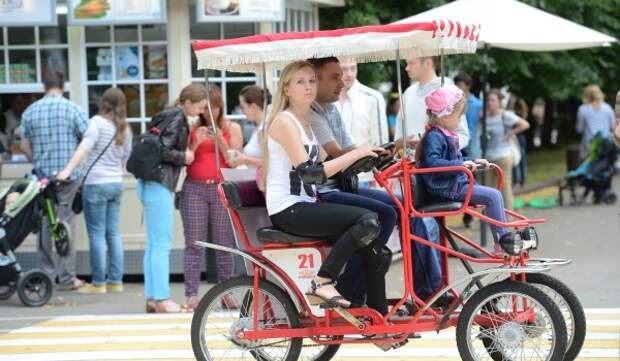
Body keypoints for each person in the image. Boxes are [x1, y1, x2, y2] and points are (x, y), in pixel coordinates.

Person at [262, 60, 387, 316]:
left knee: (377, 251)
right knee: (369, 221)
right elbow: (311, 175)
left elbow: (330, 164)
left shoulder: (306, 120)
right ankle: (323, 281)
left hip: (307, 205)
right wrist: (355, 154)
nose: (308, 87)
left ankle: (378, 320)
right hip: (289, 209)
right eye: (300, 82)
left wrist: (369, 154)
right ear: (286, 90)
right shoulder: (285, 122)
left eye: (311, 81)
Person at [138, 84, 208, 313]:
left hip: (148, 183)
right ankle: (162, 298)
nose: (200, 111)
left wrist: (190, 149)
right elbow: (165, 151)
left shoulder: (166, 115)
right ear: (187, 101)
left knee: (153, 243)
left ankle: (151, 297)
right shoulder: (177, 117)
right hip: (159, 183)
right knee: (161, 244)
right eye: (199, 105)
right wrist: (185, 156)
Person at [57, 87, 132, 294]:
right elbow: (126, 158)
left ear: (104, 103)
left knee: (97, 234)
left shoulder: (96, 123)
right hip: (116, 183)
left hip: (96, 183)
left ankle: (99, 283)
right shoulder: (125, 129)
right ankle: (116, 281)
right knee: (113, 233)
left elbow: (84, 148)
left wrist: (67, 170)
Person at [417, 85, 509, 252]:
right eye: (458, 116)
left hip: (456, 183)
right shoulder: (435, 136)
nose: (460, 121)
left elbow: (456, 160)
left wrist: (473, 161)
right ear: (444, 115)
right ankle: (502, 244)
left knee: (494, 195)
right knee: (493, 195)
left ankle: (504, 237)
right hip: (447, 188)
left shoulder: (445, 134)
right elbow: (432, 163)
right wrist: (461, 165)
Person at [20, 72, 88, 291]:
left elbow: (24, 146)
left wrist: (37, 161)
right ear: (63, 86)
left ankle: (47, 275)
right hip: (68, 177)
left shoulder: (31, 111)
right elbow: (86, 141)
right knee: (65, 224)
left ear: (44, 86)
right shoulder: (73, 109)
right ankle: (67, 277)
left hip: (42, 178)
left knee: (43, 226)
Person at [178, 85, 243, 312]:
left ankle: (227, 293)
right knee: (193, 244)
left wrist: (220, 141)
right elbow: (186, 158)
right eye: (206, 108)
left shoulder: (232, 127)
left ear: (220, 107)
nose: (210, 113)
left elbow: (234, 159)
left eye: (214, 108)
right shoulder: (193, 127)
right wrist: (196, 141)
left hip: (220, 189)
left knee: (223, 244)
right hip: (194, 189)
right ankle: (192, 295)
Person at [484, 89, 530, 211]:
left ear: (499, 102)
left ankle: (510, 218)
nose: (490, 103)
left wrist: (511, 133)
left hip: (503, 156)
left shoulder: (505, 115)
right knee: (489, 189)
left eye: (493, 100)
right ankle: (489, 218)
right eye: (488, 100)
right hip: (489, 157)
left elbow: (525, 124)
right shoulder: (485, 117)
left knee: (505, 188)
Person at [227, 85, 271, 168]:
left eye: (243, 107)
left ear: (253, 107)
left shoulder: (264, 129)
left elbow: (271, 162)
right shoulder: (260, 127)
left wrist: (245, 160)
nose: (243, 111)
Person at [576, 85, 615, 159]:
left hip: (589, 145)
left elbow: (579, 129)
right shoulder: (607, 108)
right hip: (605, 144)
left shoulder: (582, 109)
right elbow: (613, 127)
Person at [454, 73, 482, 160]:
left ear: (468, 86)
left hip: (471, 143)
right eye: (456, 85)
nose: (457, 87)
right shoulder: (454, 102)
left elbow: (472, 126)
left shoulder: (477, 104)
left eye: (460, 85)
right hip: (458, 141)